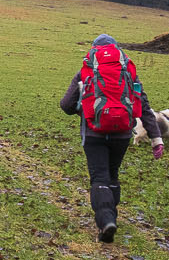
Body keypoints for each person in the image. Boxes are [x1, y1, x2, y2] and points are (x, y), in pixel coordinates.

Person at [58, 32, 163, 242]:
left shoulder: (86, 72)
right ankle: (111, 216)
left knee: (99, 177)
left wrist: (82, 109)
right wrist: (156, 138)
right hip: (122, 133)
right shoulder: (128, 74)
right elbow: (144, 106)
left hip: (93, 132)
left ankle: (106, 220)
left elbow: (66, 105)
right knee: (112, 174)